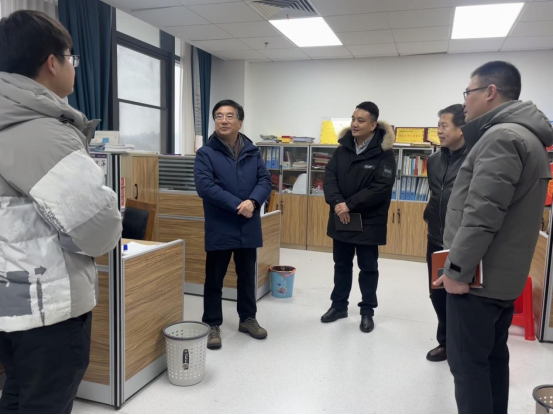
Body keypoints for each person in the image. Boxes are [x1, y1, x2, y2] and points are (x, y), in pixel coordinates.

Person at [0, 11, 122, 414]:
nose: (74, 67)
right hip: (46, 307)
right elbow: (100, 230)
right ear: (52, 62)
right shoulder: (41, 133)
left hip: (9, 299)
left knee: (16, 394)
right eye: (72, 58)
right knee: (44, 402)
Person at [435, 61, 553, 414]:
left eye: (468, 92)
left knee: (468, 367)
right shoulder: (526, 137)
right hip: (502, 276)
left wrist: (457, 271)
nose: (465, 102)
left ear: (490, 92)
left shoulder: (502, 137)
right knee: (492, 358)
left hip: (479, 281)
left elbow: (482, 214)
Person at [195, 100, 272, 351]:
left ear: (240, 122)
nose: (223, 120)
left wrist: (253, 201)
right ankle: (212, 324)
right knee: (214, 278)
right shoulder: (206, 153)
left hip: (248, 224)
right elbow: (205, 187)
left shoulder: (252, 151)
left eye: (229, 116)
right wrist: (239, 205)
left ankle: (247, 319)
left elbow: (265, 180)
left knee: (247, 276)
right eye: (218, 116)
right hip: (221, 224)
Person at [322, 102, 396, 333]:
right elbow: (329, 178)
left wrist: (349, 205)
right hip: (341, 217)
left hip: (368, 221)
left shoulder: (384, 153)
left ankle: (367, 311)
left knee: (368, 268)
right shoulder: (342, 149)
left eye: (361, 120)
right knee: (341, 265)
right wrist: (338, 203)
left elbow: (381, 186)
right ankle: (338, 306)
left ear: (373, 125)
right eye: (353, 119)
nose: (354, 124)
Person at [424, 104, 467, 363]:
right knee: (437, 293)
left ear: (461, 129)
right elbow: (435, 195)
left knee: (462, 295)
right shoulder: (433, 161)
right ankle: (446, 342)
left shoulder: (475, 160)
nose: (439, 131)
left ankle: (463, 345)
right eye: (438, 125)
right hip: (435, 238)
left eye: (444, 126)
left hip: (462, 241)